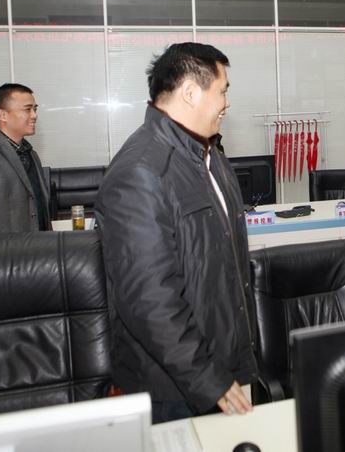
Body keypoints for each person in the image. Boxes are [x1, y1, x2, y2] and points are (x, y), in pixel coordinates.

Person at [95, 43, 259, 423]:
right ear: (189, 92)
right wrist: (208, 378)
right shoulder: (140, 172)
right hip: (176, 389)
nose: (227, 103)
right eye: (222, 91)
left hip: (222, 370)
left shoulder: (210, 156)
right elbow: (150, 299)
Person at [0, 83, 51, 233]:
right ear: (3, 115)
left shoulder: (31, 153)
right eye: (27, 109)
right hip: (7, 247)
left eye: (35, 109)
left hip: (40, 243)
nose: (34, 115)